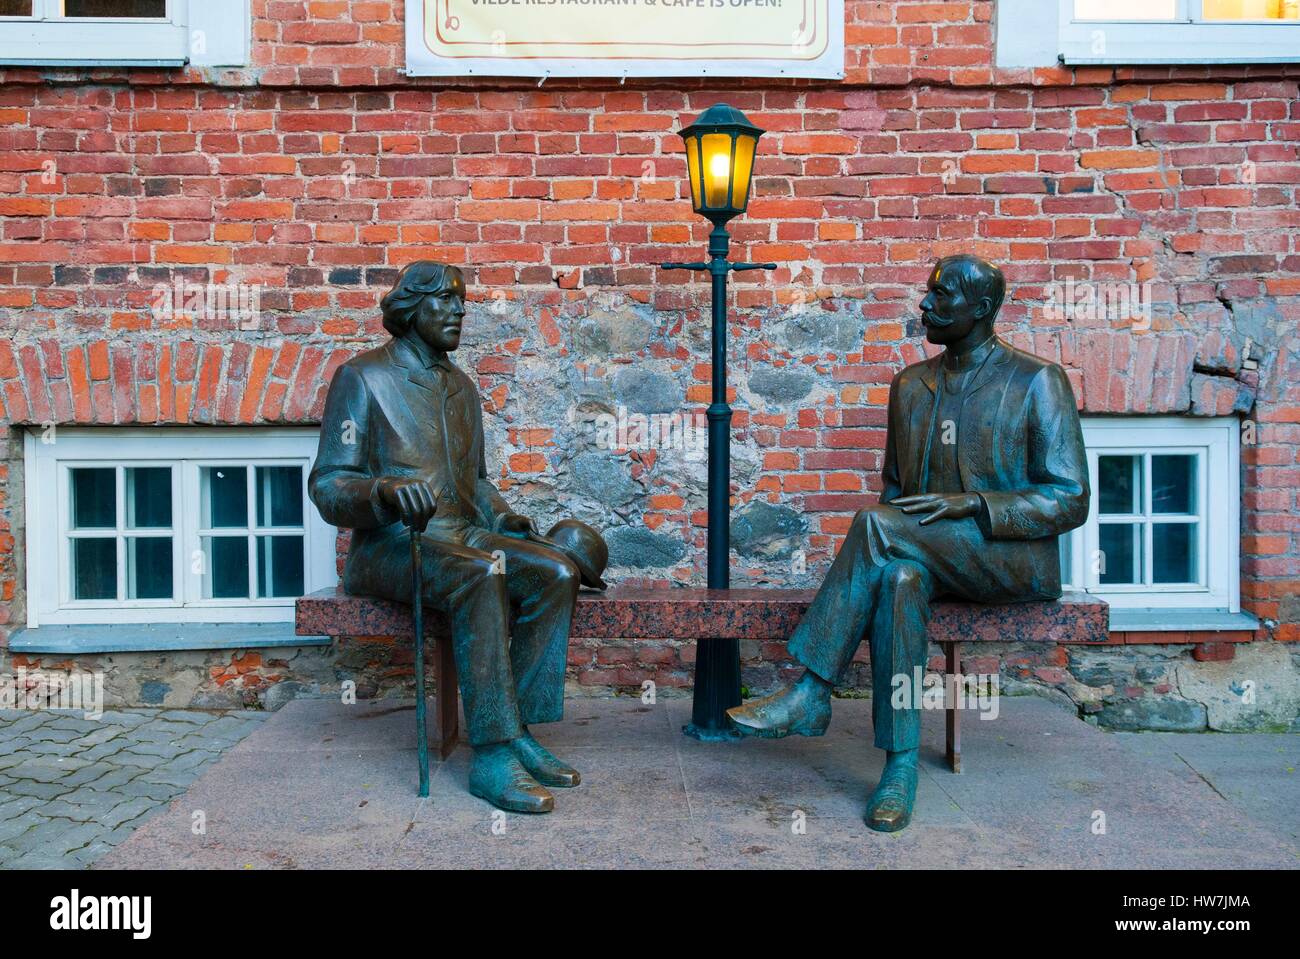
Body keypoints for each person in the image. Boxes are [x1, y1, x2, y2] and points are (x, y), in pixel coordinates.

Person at [727, 255, 1090, 832]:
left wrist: (971, 505)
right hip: (921, 556)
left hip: (1008, 560)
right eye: (928, 292)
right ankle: (899, 768)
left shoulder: (1035, 380)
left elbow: (1070, 498)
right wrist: (918, 528)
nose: (926, 305)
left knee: (874, 526)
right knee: (898, 580)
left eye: (942, 296)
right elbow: (896, 494)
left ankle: (812, 689)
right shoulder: (910, 386)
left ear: (983, 309)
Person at [309, 261, 607, 815]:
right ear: (411, 307)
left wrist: (504, 517)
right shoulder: (363, 378)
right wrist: (384, 491)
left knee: (556, 573)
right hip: (393, 546)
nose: (459, 310)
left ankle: (512, 727)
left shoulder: (462, 388)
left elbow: (476, 481)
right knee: (480, 573)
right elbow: (328, 485)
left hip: (464, 534)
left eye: (462, 301)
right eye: (445, 300)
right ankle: (493, 756)